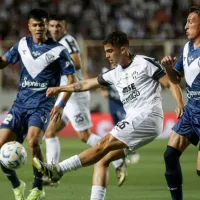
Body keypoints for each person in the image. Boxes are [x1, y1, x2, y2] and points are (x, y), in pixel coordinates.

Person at [33, 31, 184, 200]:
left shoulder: (144, 63)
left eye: (110, 51)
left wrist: (180, 104)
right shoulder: (115, 72)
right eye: (106, 51)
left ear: (123, 50)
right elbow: (86, 83)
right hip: (134, 119)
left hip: (147, 116)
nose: (107, 55)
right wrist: (61, 88)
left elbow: (170, 82)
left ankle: (58, 170)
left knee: (103, 144)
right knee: (102, 159)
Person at [0, 9, 76, 200]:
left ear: (46, 26)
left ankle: (38, 186)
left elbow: (72, 80)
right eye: (35, 25)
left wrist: (60, 105)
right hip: (20, 105)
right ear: (29, 26)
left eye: (42, 24)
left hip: (42, 105)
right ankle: (17, 184)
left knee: (33, 141)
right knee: (1, 147)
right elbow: (3, 62)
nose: (39, 28)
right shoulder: (22, 44)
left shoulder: (59, 50)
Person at [44, 15, 127, 187]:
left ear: (64, 27)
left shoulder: (68, 40)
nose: (55, 29)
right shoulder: (52, 43)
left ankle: (118, 157)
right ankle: (52, 173)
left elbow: (77, 63)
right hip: (65, 94)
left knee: (84, 136)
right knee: (49, 132)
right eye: (52, 25)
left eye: (58, 25)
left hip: (75, 95)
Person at [161, 5, 200, 200]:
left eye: (191, 21)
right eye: (186, 21)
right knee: (169, 155)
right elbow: (176, 79)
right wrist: (168, 68)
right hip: (192, 110)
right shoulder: (186, 48)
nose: (186, 26)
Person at [98, 64, 141, 164]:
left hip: (123, 105)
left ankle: (133, 151)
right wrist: (102, 90)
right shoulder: (106, 70)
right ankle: (122, 152)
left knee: (124, 130)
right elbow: (99, 82)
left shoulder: (126, 71)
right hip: (112, 104)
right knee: (117, 129)